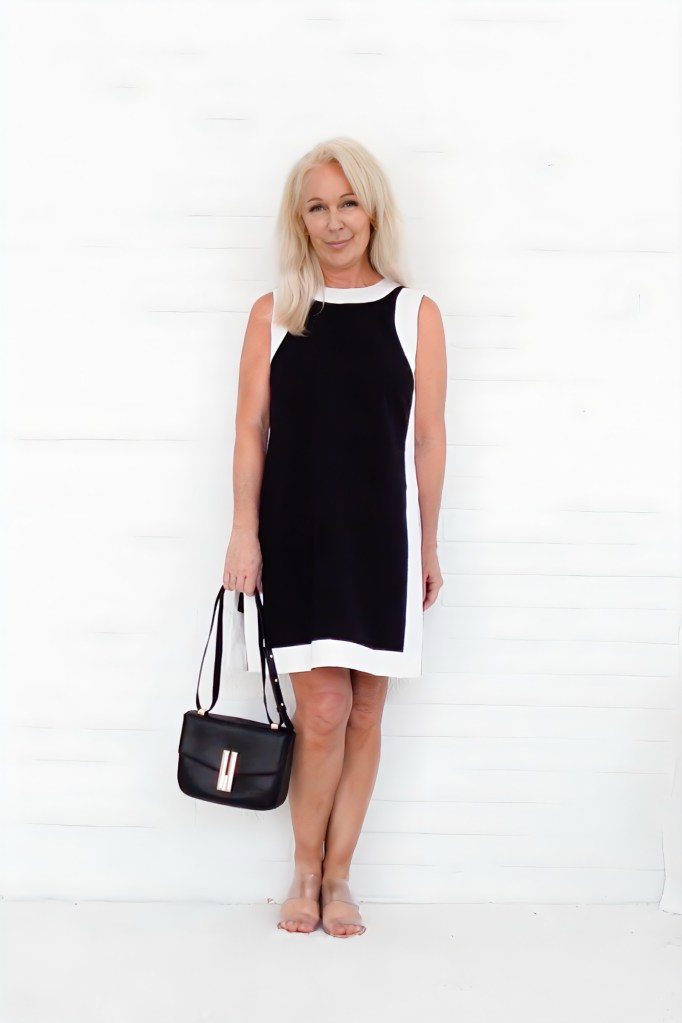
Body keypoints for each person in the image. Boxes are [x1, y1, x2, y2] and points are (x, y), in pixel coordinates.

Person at [222, 137, 446, 937]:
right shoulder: (275, 313)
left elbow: (428, 439)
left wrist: (429, 544)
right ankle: (305, 871)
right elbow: (250, 430)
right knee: (321, 707)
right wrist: (243, 532)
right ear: (301, 220)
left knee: (364, 710)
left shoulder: (415, 313)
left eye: (348, 202)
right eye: (317, 206)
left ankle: (342, 874)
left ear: (373, 209)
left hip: (383, 538)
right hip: (299, 535)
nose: (335, 220)